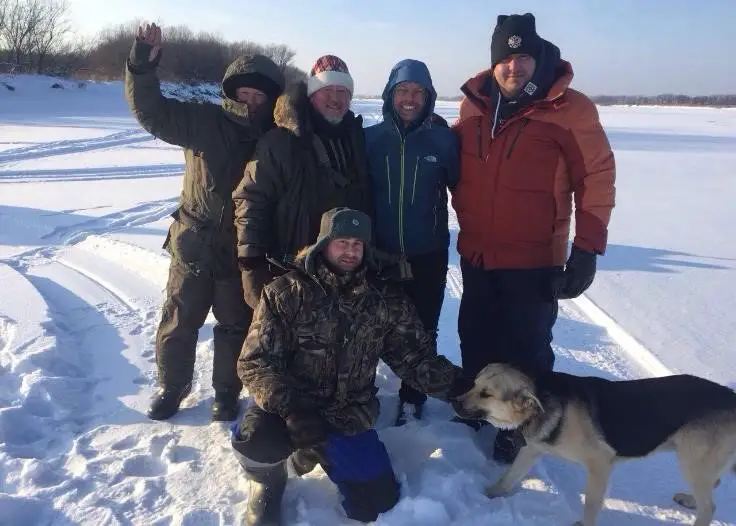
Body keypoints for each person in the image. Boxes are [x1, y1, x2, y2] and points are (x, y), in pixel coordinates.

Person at [230, 207, 473, 525]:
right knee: (257, 437)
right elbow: (255, 362)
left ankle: (321, 454)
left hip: (347, 415)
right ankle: (266, 482)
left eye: (357, 244)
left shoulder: (385, 300)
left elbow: (414, 359)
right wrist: (292, 410)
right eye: (341, 242)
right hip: (292, 412)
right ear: (323, 245)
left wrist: (461, 387)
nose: (349, 251)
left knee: (376, 504)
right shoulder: (285, 293)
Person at [450, 13, 616, 463]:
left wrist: (587, 249)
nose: (513, 67)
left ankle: (524, 428)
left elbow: (597, 178)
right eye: (505, 58)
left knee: (526, 348)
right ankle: (478, 406)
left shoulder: (570, 109)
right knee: (476, 336)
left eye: (522, 57)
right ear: (494, 63)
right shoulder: (473, 105)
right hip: (479, 253)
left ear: (538, 59)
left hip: (533, 260)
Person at [125, 23, 285, 421]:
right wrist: (141, 66)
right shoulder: (202, 121)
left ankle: (226, 393)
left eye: (258, 95)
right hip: (193, 243)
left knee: (235, 325)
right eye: (243, 93)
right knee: (179, 321)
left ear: (270, 99)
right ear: (231, 93)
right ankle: (172, 386)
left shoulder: (276, 138)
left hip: (240, 250)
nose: (249, 101)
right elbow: (151, 111)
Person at [232, 55, 372, 311]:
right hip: (290, 274)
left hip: (344, 272)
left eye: (343, 91)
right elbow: (251, 201)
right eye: (327, 90)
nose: (335, 98)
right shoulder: (280, 141)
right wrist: (251, 264)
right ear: (311, 94)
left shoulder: (357, 139)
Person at [364, 59, 459, 424]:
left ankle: (412, 395)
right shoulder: (370, 139)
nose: (410, 98)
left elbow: (464, 190)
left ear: (428, 97)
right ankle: (362, 390)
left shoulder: (444, 141)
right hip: (379, 253)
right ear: (390, 95)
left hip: (427, 252)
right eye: (403, 90)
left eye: (418, 92)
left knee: (423, 328)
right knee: (372, 325)